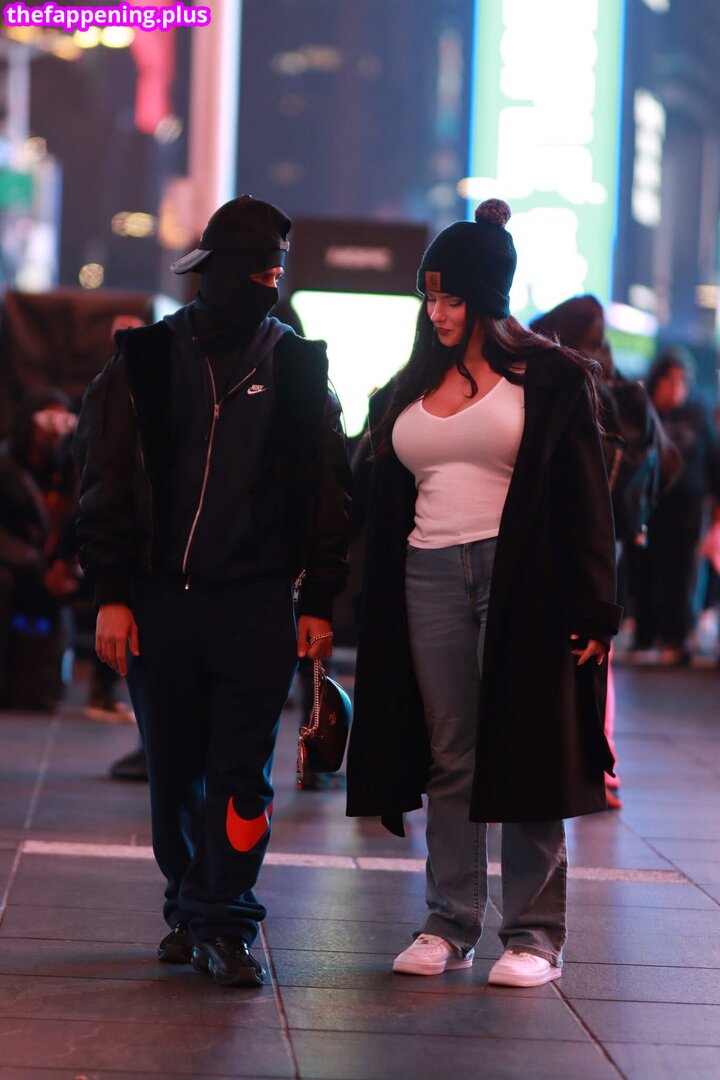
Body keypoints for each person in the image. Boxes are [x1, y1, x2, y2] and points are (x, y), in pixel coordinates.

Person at [74, 195, 350, 988]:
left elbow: (329, 493)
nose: (272, 284)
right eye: (260, 271)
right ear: (219, 271)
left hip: (257, 605)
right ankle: (188, 907)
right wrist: (112, 593)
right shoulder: (145, 358)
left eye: (278, 272)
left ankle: (224, 919)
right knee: (173, 770)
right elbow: (105, 480)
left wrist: (319, 600)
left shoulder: (298, 366)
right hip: (158, 601)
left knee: (241, 772)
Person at [346, 200, 621, 989]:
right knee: (451, 753)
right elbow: (373, 489)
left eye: (451, 297)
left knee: (529, 743)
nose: (436, 312)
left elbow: (586, 501)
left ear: (486, 297)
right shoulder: (408, 384)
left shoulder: (553, 377)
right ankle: (449, 923)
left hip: (521, 577)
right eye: (429, 296)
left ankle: (534, 936)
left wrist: (595, 608)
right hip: (425, 572)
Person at [529, 294, 681, 809]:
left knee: (553, 644)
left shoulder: (557, 378)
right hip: (608, 536)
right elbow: (667, 462)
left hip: (556, 534)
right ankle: (601, 763)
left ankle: (570, 761)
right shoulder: (621, 387)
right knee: (597, 649)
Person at [631, 347, 720, 664]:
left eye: (683, 380)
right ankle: (645, 637)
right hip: (650, 505)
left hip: (688, 507)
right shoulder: (642, 411)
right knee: (645, 570)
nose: (677, 387)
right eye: (671, 380)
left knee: (682, 575)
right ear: (658, 380)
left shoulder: (697, 413)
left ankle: (677, 639)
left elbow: (713, 460)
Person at [0, 388, 80, 708]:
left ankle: (103, 691)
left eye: (65, 422)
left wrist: (69, 561)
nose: (57, 430)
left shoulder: (69, 470)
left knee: (117, 585)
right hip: (16, 566)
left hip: (55, 565)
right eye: (48, 420)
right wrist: (38, 569)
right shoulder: (6, 466)